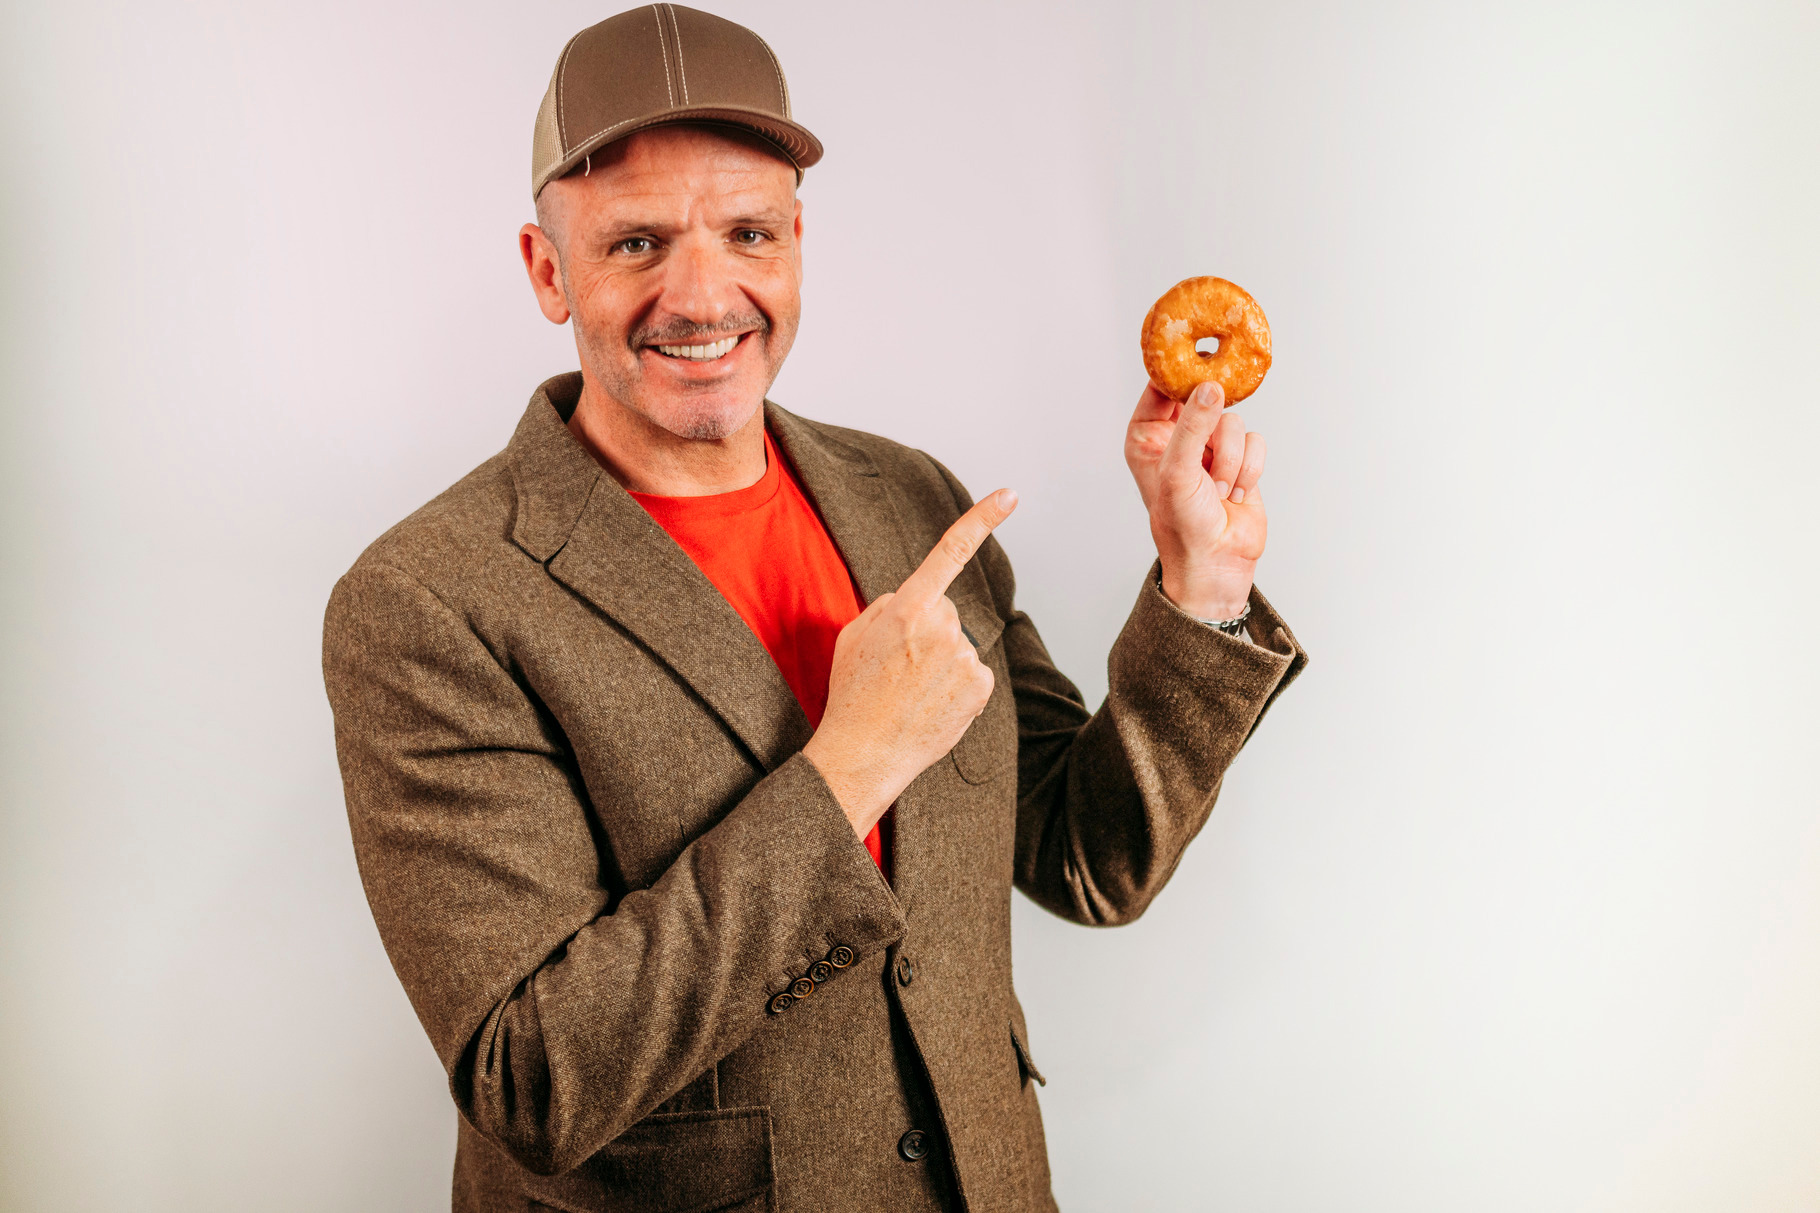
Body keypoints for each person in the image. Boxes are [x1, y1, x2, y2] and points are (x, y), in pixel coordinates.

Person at [322, 6, 1306, 1211]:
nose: (702, 294)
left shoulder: (911, 500)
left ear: (797, 243)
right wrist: (850, 768)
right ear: (546, 269)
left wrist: (1200, 588)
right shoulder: (426, 601)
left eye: (747, 231)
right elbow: (532, 1079)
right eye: (635, 242)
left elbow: (1086, 857)